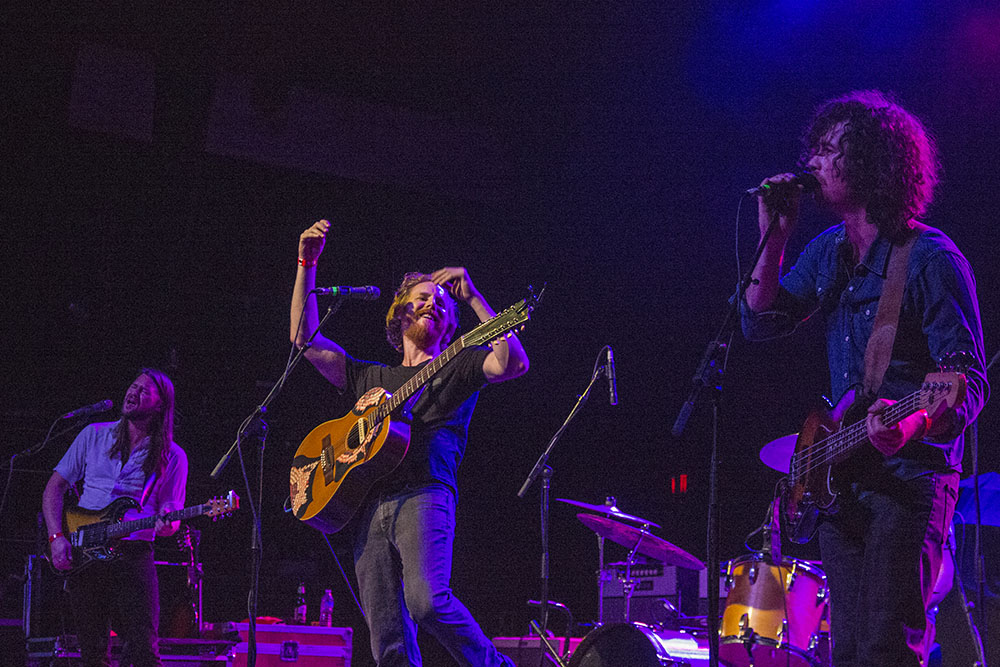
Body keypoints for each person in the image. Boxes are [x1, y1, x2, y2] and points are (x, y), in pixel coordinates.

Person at [741, 90, 988, 667]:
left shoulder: (930, 258)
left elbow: (966, 382)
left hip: (909, 481)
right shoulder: (829, 252)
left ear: (875, 163)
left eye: (832, 149)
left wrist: (913, 423)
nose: (815, 161)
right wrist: (773, 236)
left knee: (887, 645)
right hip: (841, 483)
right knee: (847, 649)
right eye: (817, 148)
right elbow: (758, 323)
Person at [290, 219, 528, 666]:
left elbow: (513, 363)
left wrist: (473, 298)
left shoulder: (459, 365)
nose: (433, 305)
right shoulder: (369, 377)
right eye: (423, 299)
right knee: (388, 644)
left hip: (425, 493)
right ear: (400, 313)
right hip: (368, 505)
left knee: (428, 602)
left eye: (441, 303)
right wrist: (308, 263)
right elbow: (304, 339)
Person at [42, 369, 189, 667]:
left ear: (160, 404)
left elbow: (171, 517)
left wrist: (167, 524)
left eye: (144, 390)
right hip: (85, 552)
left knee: (144, 651)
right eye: (133, 386)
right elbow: (54, 488)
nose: (133, 392)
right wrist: (57, 538)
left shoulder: (172, 456)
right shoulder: (94, 434)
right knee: (92, 653)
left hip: (133, 557)